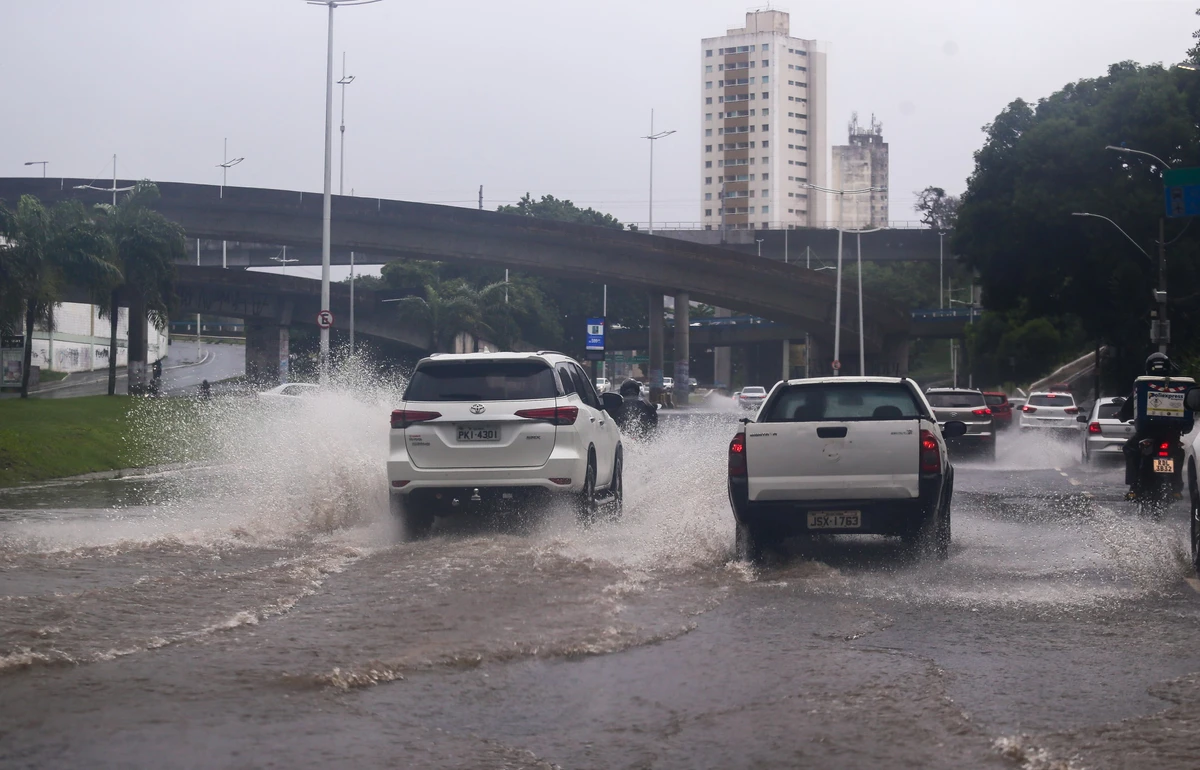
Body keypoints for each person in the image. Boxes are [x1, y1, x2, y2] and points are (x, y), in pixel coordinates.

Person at [1118, 352, 1186, 499]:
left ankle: (1134, 487)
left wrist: (1121, 415)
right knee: (1178, 452)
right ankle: (1176, 488)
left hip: (1147, 433)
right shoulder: (1179, 386)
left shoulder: (1143, 385)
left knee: (1129, 448)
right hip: (1172, 434)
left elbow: (1127, 408)